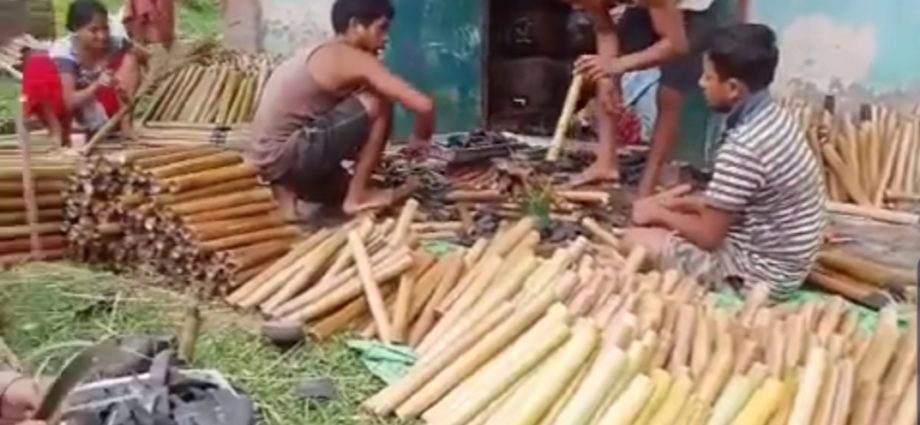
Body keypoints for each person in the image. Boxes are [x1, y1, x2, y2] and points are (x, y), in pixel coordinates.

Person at [623, 23, 826, 300]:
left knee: (636, 240)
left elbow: (708, 236)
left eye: (708, 77)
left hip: (758, 277)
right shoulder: (773, 116)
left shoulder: (744, 147)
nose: (701, 83)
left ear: (732, 88)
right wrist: (675, 205)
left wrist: (657, 214)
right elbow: (730, 206)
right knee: (670, 218)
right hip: (781, 258)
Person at [248, 0, 435, 220]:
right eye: (381, 28)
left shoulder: (324, 52)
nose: (386, 38)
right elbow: (424, 106)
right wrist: (421, 138)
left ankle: (288, 197)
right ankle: (357, 197)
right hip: (291, 155)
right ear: (355, 25)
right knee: (379, 100)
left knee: (341, 187)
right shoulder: (351, 57)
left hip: (271, 162)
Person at [565, 0, 722, 198]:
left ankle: (648, 185)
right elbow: (605, 31)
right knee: (603, 71)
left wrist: (617, 65)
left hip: (690, 14)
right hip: (649, 9)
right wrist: (606, 78)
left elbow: (676, 45)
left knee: (669, 94)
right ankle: (605, 163)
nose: (576, 8)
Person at [21, 0, 142, 148]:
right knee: (37, 64)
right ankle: (57, 131)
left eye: (105, 28)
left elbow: (143, 55)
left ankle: (125, 124)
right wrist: (96, 85)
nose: (102, 35)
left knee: (130, 58)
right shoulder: (65, 51)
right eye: (94, 30)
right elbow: (69, 102)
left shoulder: (116, 43)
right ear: (76, 30)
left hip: (106, 110)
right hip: (71, 113)